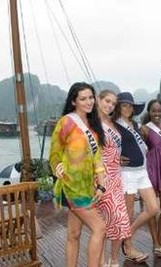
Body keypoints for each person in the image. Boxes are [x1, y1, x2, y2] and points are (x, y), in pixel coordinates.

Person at [49, 82, 106, 267]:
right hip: (71, 187)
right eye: (83, 99)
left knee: (74, 234)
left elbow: (97, 160)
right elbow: (54, 155)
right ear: (74, 101)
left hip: (87, 187)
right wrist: (57, 168)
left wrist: (101, 185)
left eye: (91, 97)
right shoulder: (66, 122)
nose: (89, 102)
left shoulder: (93, 125)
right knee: (100, 228)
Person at [113, 92, 159, 263]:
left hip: (142, 172)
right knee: (129, 213)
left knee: (154, 208)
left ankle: (126, 235)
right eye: (124, 105)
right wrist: (114, 158)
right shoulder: (114, 125)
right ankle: (129, 247)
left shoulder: (136, 125)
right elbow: (106, 146)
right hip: (127, 174)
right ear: (118, 107)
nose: (128, 108)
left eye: (130, 105)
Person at [97, 89, 134, 267]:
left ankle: (114, 259)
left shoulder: (112, 123)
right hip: (102, 178)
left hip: (117, 175)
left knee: (119, 219)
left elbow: (115, 148)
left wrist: (116, 157)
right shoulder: (92, 124)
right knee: (105, 220)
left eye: (113, 103)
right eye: (107, 101)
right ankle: (103, 261)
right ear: (98, 100)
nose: (109, 105)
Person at [140, 99, 161, 258]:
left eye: (159, 110)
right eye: (154, 111)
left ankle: (160, 239)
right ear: (149, 112)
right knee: (152, 210)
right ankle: (155, 243)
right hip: (151, 170)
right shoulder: (145, 129)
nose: (157, 114)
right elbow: (135, 147)